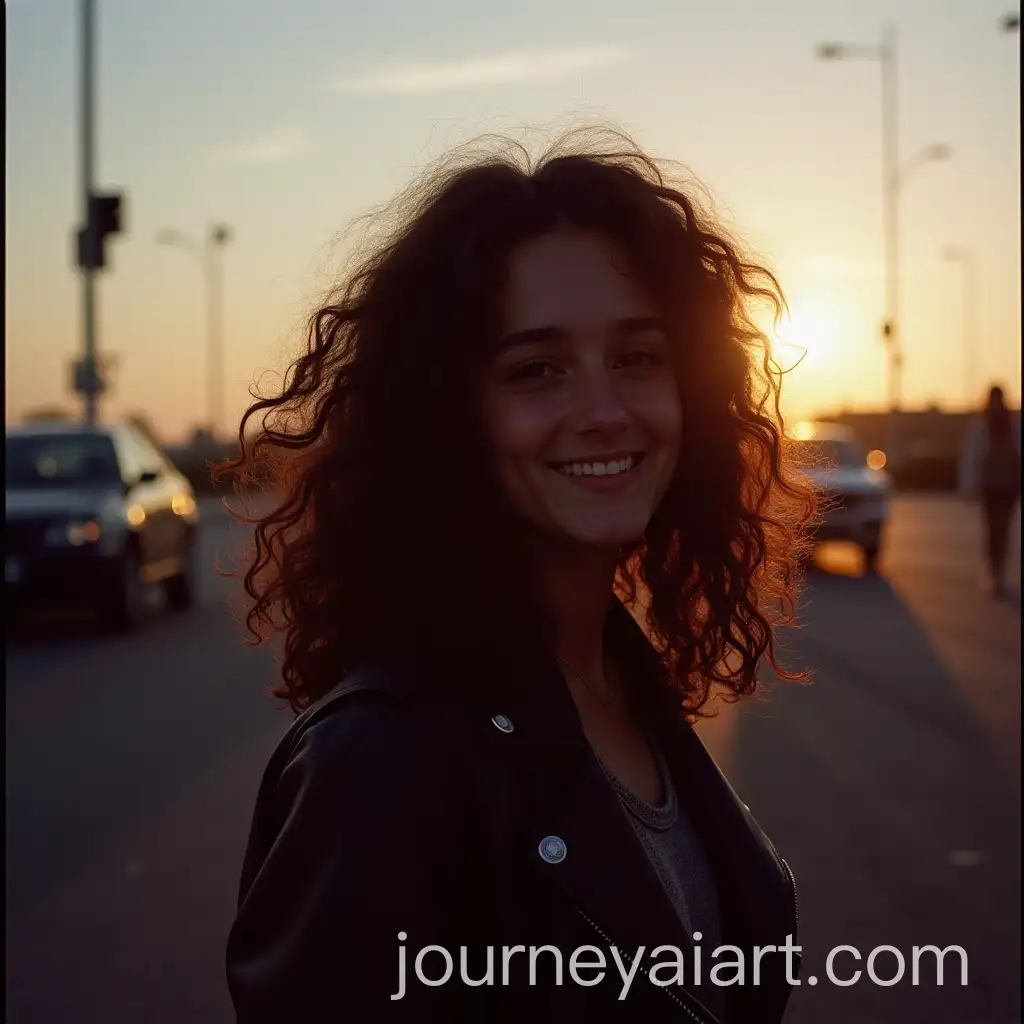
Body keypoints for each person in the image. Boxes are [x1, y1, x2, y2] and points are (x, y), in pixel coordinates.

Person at [222, 126, 815, 1023]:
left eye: (637, 358)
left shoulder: (624, 683)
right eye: (537, 370)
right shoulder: (378, 759)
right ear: (447, 417)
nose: (606, 411)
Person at [959, 385, 1021, 599]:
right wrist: (968, 486)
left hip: (1008, 487)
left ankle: (1000, 573)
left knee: (1004, 531)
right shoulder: (981, 425)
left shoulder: (1012, 424)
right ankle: (993, 573)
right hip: (990, 487)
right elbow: (972, 457)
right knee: (992, 531)